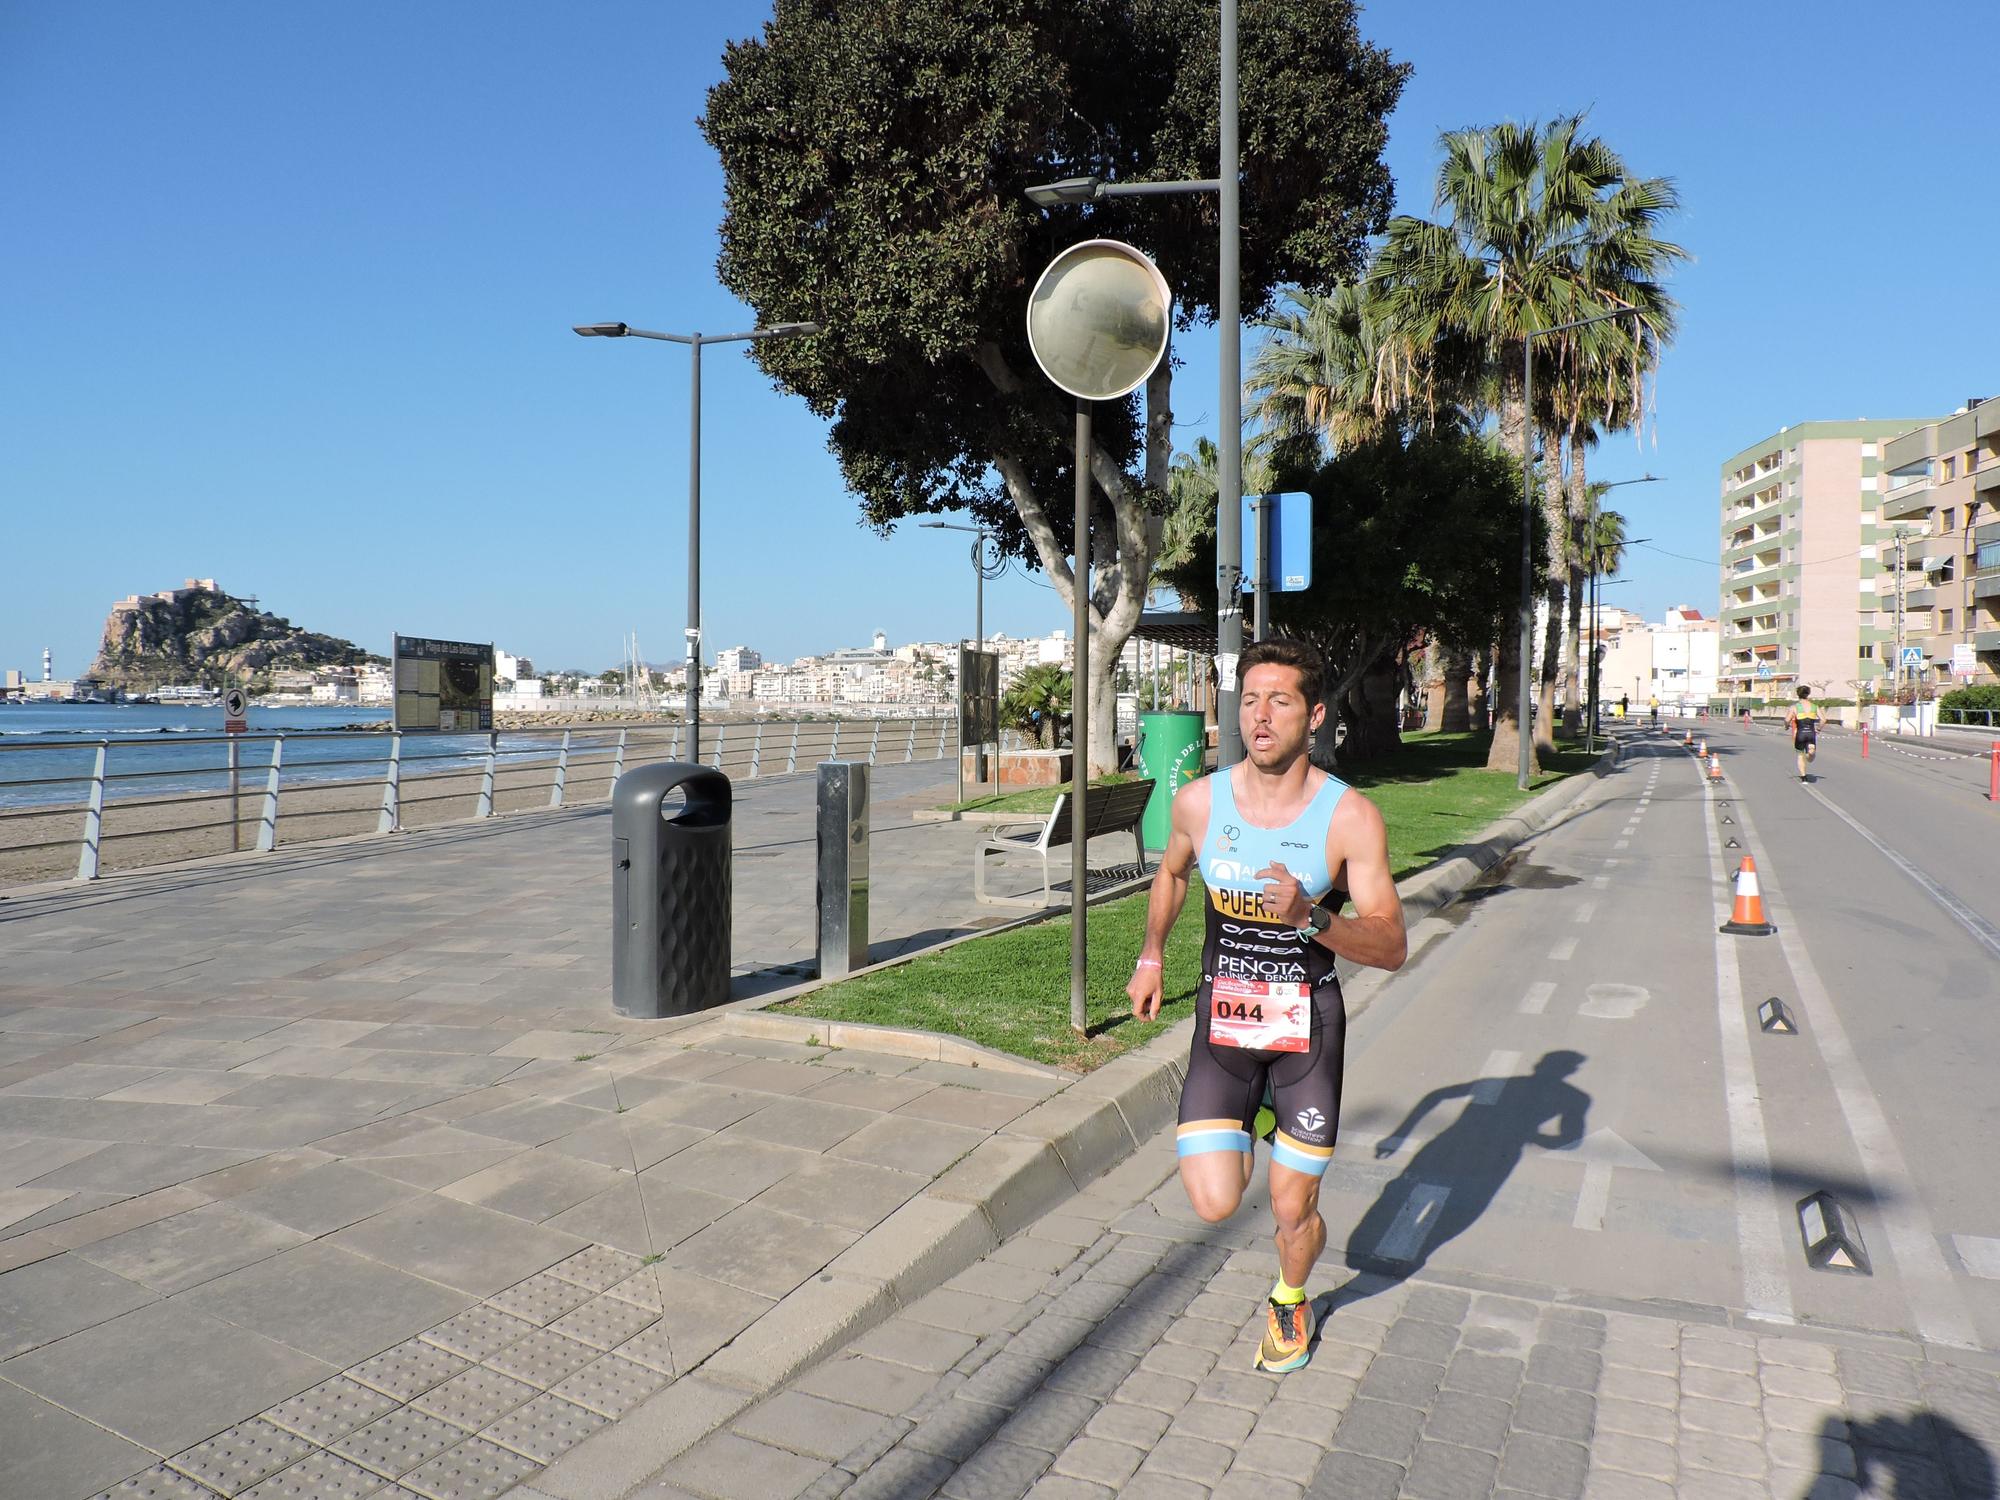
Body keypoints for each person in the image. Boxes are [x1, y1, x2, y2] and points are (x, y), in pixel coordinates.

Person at [1127, 639, 1407, 1374]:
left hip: (1306, 1031)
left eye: (1279, 700)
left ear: (1314, 716)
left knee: (1290, 1210)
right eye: (1250, 698)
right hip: (1225, 1024)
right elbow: (1173, 873)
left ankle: (1291, 1295)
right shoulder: (1198, 801)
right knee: (1217, 1201)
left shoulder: (1351, 819)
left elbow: (1391, 945)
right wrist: (1151, 955)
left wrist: (1312, 916)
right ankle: (1249, 1124)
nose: (1260, 715)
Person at [1786, 685, 1821, 782]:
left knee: (1800, 756)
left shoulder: (1794, 707)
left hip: (1800, 733)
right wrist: (1818, 728)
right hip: (1811, 733)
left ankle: (1803, 777)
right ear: (1808, 694)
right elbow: (1824, 719)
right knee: (1810, 758)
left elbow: (1787, 719)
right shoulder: (1814, 707)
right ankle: (1810, 752)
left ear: (1798, 694)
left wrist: (1786, 726)